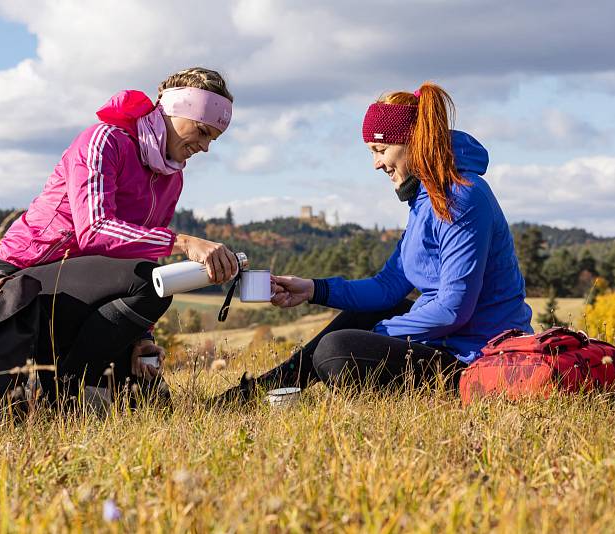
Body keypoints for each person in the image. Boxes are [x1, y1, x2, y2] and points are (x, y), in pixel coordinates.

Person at [216, 82, 533, 402]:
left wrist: (375, 335)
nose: (376, 164)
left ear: (413, 143)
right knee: (369, 313)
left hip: (474, 360)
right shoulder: (425, 200)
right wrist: (312, 289)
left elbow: (453, 310)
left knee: (335, 350)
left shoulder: (460, 198)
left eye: (380, 150)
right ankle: (261, 390)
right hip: (445, 344)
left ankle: (263, 391)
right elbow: (387, 286)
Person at [0, 67, 240, 402]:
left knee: (149, 397)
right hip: (24, 283)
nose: (204, 147)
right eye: (202, 131)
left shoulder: (171, 178)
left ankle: (70, 386)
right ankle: (61, 393)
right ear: (174, 112)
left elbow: (141, 258)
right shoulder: (105, 141)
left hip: (82, 291)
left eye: (212, 139)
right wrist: (184, 243)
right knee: (152, 281)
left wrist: (141, 336)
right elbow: (94, 229)